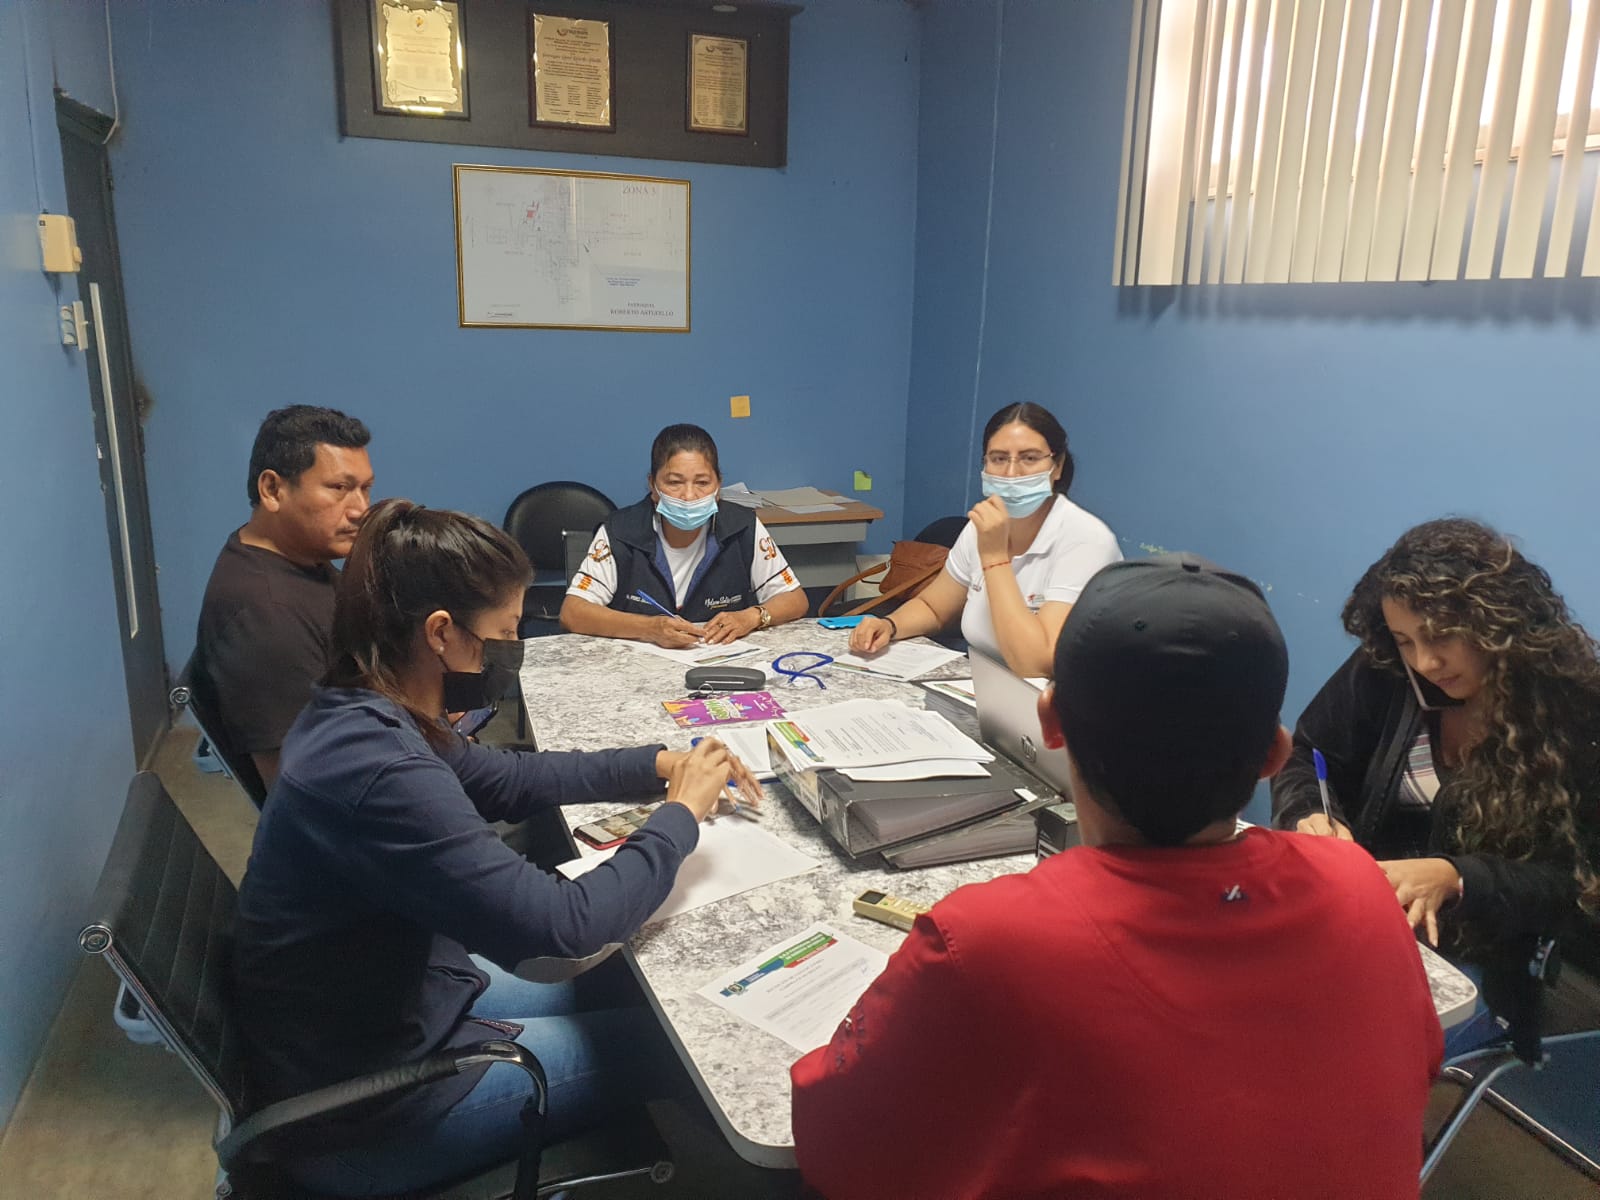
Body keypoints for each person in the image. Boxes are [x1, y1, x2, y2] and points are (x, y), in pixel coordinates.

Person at [792, 555, 1442, 1200]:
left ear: (1050, 722)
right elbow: (1418, 1065)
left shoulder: (986, 938)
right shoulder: (1360, 885)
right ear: (1275, 754)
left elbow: (837, 1146)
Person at [233, 499, 761, 1197]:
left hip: (396, 1007)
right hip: (366, 1112)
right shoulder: (380, 770)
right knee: (684, 1048)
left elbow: (510, 778)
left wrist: (659, 763)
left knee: (633, 985)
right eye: (501, 637)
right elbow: (563, 925)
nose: (507, 652)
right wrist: (680, 815)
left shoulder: (363, 709)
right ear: (440, 633)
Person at [1272, 518, 1600, 1044]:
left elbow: (1572, 884)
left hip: (1491, 964)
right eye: (1406, 640)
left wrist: (1457, 877)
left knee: (1355, 1043)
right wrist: (1307, 813)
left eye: (1443, 635)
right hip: (1365, 919)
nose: (1426, 661)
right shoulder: (1388, 669)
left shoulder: (1576, 709)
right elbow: (1309, 756)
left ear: (1497, 619)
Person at [848, 402, 1119, 677]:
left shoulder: (1086, 540)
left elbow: (1037, 664)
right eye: (998, 459)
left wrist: (994, 557)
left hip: (1054, 695)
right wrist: (890, 625)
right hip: (985, 683)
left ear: (1057, 466)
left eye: (1029, 458)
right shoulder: (982, 526)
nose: (1011, 474)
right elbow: (934, 607)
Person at [192, 405, 374, 793]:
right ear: (273, 490)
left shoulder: (302, 558)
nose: (361, 509)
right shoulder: (266, 617)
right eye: (339, 488)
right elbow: (305, 794)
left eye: (365, 488)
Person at [560, 423, 808, 647]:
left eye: (702, 483)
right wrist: (649, 628)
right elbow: (573, 612)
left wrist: (752, 616)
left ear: (718, 486)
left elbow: (795, 599)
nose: (689, 496)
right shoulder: (620, 530)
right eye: (674, 482)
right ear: (653, 486)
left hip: (718, 661)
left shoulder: (742, 526)